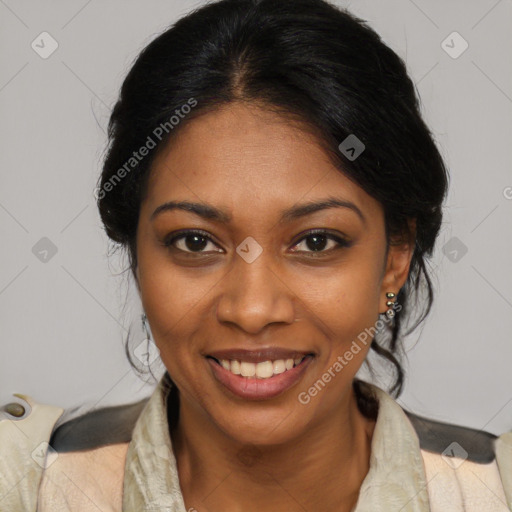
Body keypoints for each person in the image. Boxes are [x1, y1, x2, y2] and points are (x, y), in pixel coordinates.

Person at [1, 0, 510, 510]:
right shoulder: (25, 486)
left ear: (395, 258)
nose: (252, 310)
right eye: (195, 242)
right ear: (136, 252)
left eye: (316, 242)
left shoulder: (495, 492)